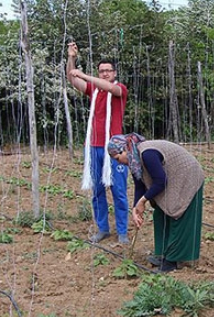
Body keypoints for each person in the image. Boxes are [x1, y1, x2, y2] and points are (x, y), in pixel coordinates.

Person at [108, 133, 205, 273]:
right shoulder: (134, 160)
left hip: (188, 175)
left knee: (178, 213)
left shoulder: (147, 154)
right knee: (161, 213)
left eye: (118, 158)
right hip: (173, 177)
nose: (118, 162)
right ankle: (163, 254)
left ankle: (172, 261)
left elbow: (161, 181)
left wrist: (143, 201)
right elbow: (140, 185)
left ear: (124, 150)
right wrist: (136, 208)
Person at [66, 42, 129, 244]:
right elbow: (72, 79)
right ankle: (103, 228)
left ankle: (122, 231)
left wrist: (84, 75)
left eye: (108, 71)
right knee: (97, 190)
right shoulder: (93, 91)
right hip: (93, 146)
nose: (104, 74)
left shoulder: (119, 89)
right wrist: (71, 59)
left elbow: (110, 88)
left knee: (118, 190)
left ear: (114, 72)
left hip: (115, 148)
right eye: (101, 71)